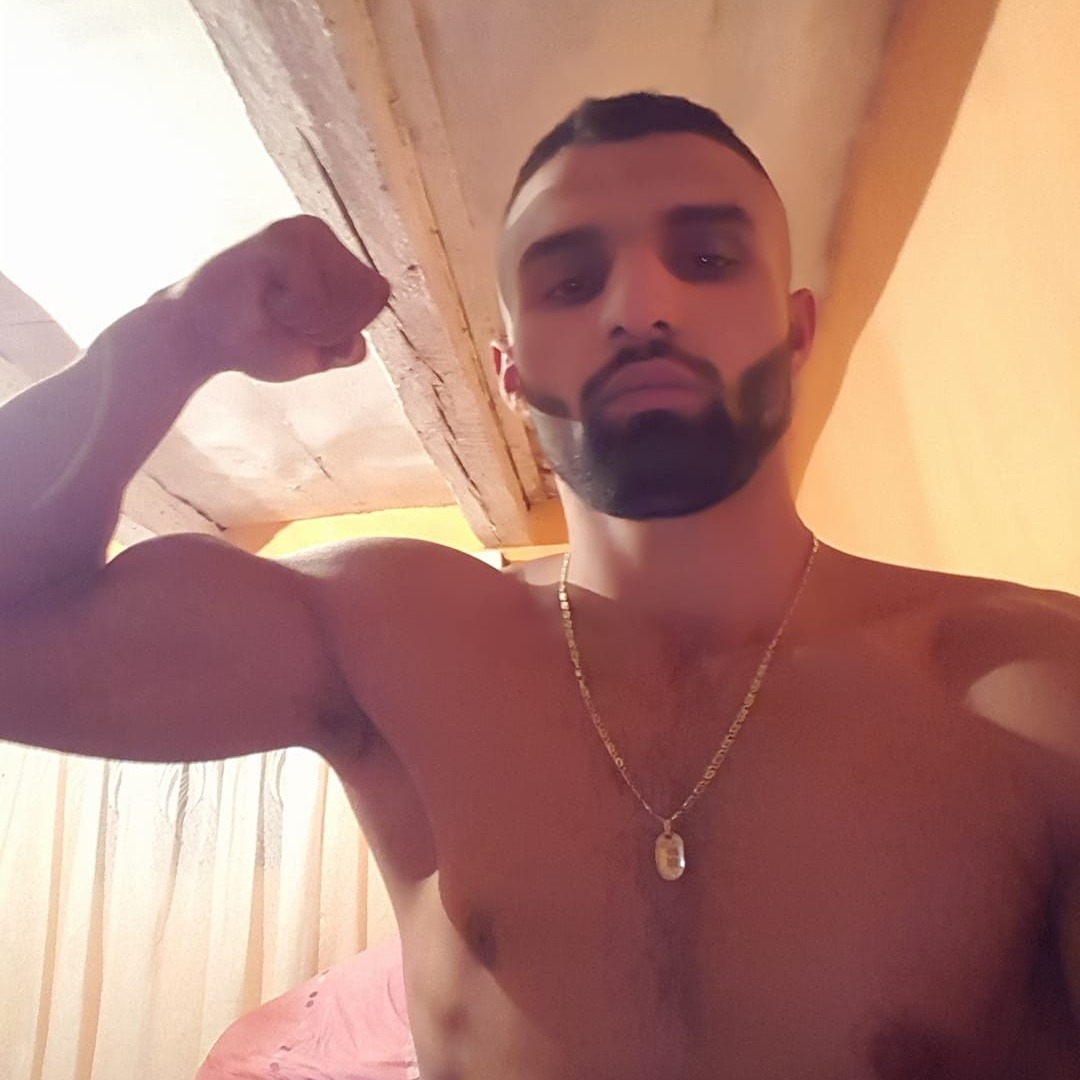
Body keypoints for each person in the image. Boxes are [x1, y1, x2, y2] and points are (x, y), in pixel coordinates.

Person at [2, 91, 1079, 1078]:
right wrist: (176, 333)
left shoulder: (1036, 689)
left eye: (707, 258)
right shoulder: (392, 637)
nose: (640, 304)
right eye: (570, 281)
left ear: (795, 334)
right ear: (511, 373)